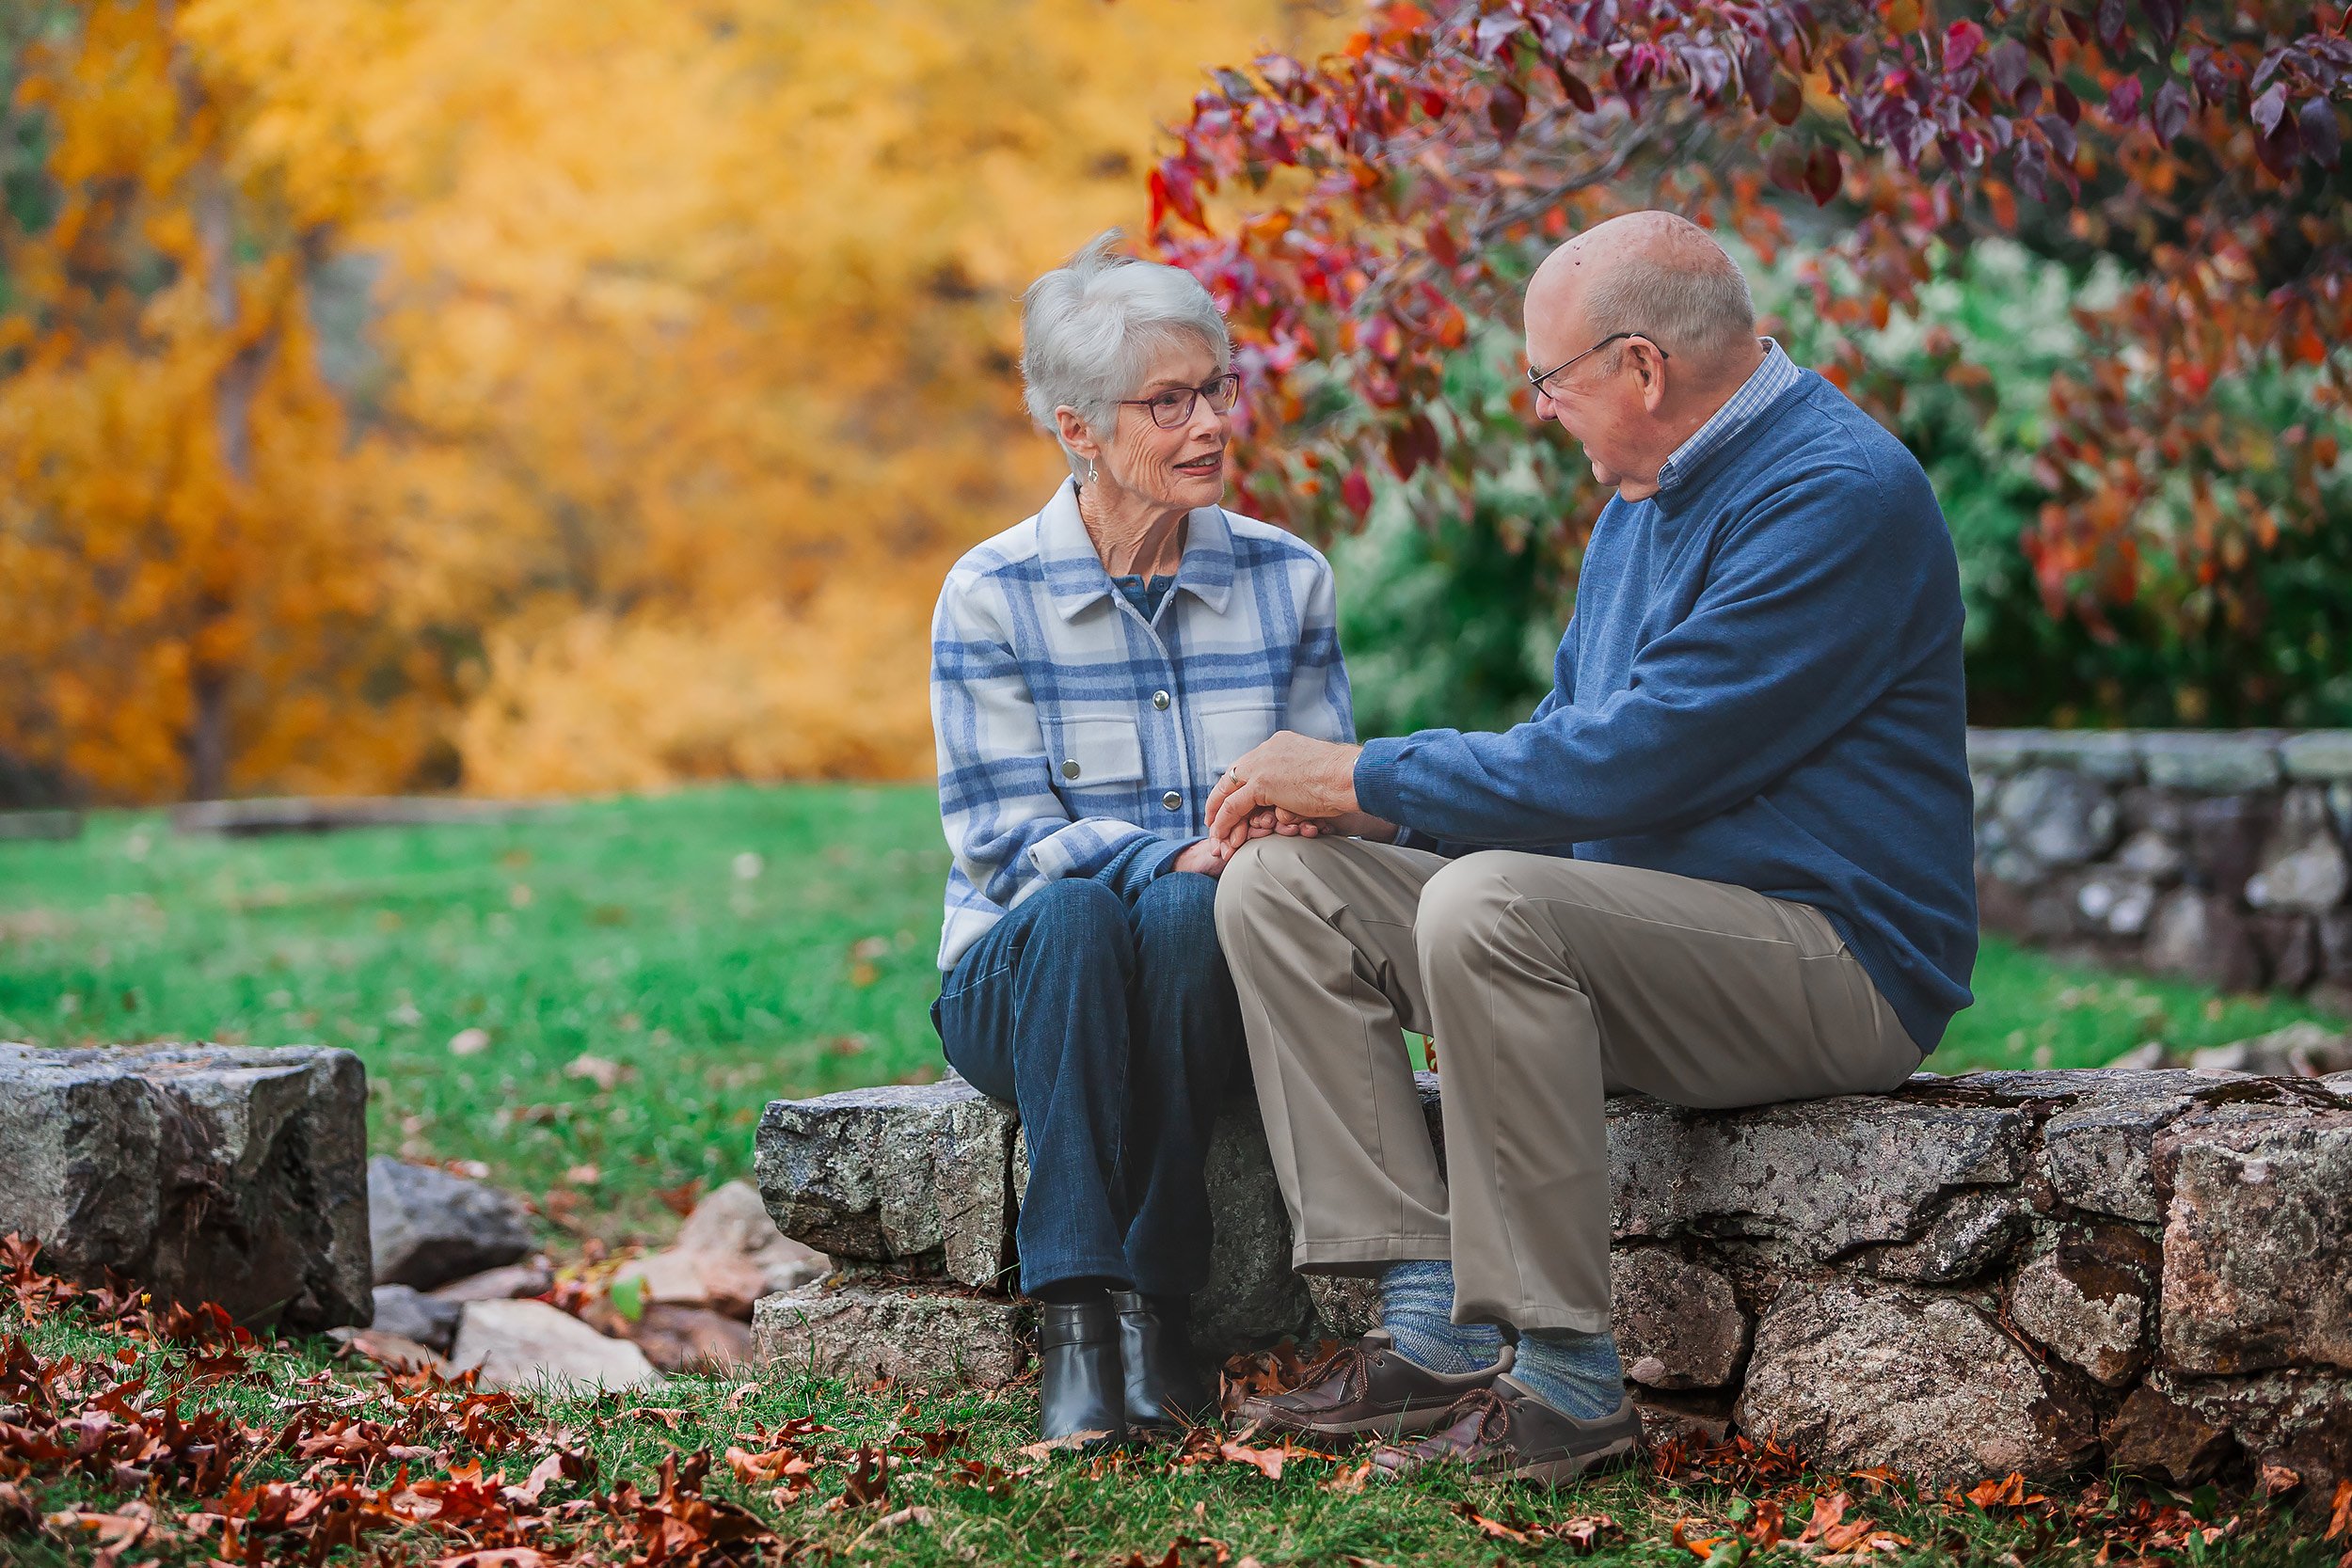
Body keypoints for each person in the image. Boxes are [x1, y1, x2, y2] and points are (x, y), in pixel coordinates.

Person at [1200, 211, 1978, 1482]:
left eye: (1549, 382)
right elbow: (1570, 750)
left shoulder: (1838, 495)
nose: (1543, 412)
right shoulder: (1638, 508)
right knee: (1287, 888)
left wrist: (1355, 767)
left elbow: (1645, 756)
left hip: (1838, 966)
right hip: (1645, 935)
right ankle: (1427, 1334)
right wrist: (1363, 814)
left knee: (1494, 907)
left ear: (1641, 369)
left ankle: (1567, 1388)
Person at [930, 231, 1353, 1446]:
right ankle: (1081, 1311)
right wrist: (1168, 849)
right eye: (1168, 402)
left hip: (1206, 980)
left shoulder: (1291, 581)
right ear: (1077, 429)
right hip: (1027, 991)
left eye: (1218, 388)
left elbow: (1327, 801)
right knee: (1075, 908)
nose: (1212, 423)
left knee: (1181, 913)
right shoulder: (991, 592)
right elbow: (1002, 840)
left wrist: (1252, 840)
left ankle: (1155, 1310)